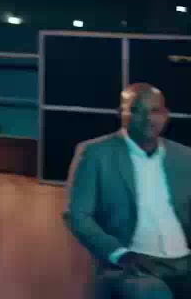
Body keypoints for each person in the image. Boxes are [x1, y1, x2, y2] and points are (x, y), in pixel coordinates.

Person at [66, 83, 191, 299]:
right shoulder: (95, 153)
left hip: (184, 260)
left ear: (166, 115)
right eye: (136, 110)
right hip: (133, 265)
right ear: (120, 113)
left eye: (155, 110)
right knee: (152, 294)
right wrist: (120, 254)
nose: (148, 118)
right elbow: (78, 215)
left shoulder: (185, 157)